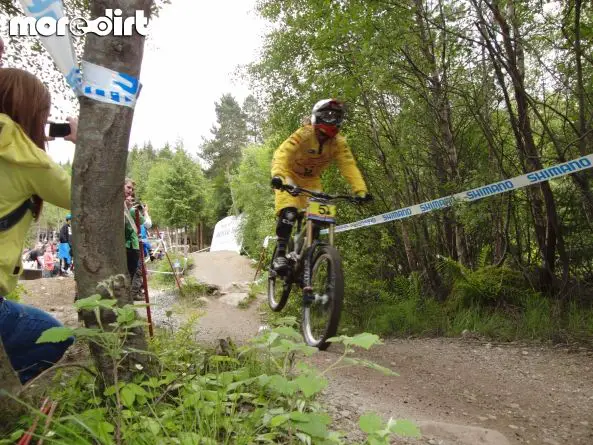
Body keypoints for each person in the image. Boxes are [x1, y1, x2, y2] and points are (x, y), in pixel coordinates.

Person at [0, 67, 75, 384]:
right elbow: (86, 198)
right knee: (55, 337)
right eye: (43, 117)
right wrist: (81, 142)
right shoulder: (27, 158)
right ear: (30, 113)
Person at [270, 99, 372, 273]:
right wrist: (278, 176)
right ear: (317, 117)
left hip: (311, 180)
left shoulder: (339, 143)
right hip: (289, 174)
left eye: (336, 117)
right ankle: (280, 254)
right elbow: (282, 153)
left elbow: (349, 165)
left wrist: (360, 190)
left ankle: (305, 257)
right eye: (327, 116)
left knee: (319, 220)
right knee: (289, 211)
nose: (332, 121)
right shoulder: (304, 134)